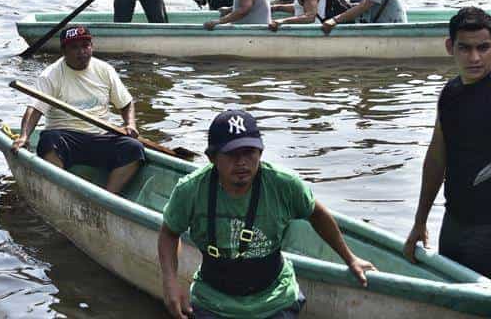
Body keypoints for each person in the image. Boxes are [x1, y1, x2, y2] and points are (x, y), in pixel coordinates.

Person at [158, 110, 376, 319]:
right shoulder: (191, 190)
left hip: (275, 300)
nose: (242, 162)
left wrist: (350, 259)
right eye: (232, 154)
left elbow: (317, 214)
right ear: (212, 157)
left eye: (249, 153)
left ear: (260, 153)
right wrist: (170, 284)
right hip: (212, 303)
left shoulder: (284, 184)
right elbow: (169, 233)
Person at [402, 7, 491, 290]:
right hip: (453, 223)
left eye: (483, 47)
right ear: (449, 47)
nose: (474, 57)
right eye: (464, 48)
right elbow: (436, 159)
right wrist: (420, 222)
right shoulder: (450, 93)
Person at [10, 26, 145, 194]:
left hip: (99, 136)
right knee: (48, 141)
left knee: (134, 148)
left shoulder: (104, 70)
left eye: (85, 46)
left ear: (92, 47)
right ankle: (62, 192)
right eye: (74, 47)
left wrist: (130, 124)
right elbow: (35, 109)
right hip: (66, 137)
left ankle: (107, 198)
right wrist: (24, 136)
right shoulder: (51, 74)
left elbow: (126, 103)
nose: (82, 52)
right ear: (64, 51)